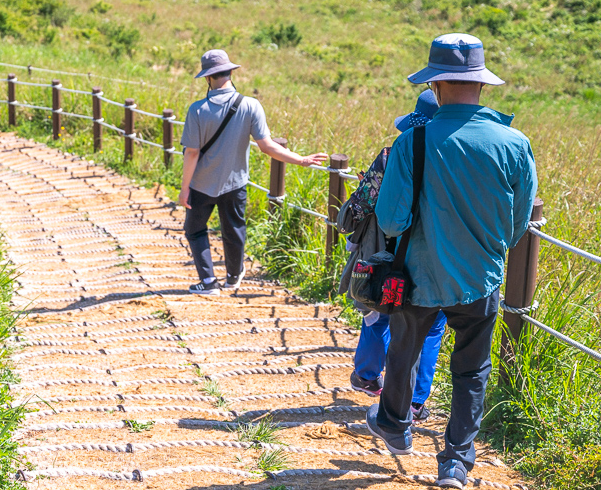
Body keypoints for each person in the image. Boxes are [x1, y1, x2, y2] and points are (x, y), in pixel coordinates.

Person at [366, 33, 537, 490]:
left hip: (417, 276)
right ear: (482, 85)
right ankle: (456, 462)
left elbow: (392, 219)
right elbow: (519, 224)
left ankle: (396, 426)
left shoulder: (413, 143)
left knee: (404, 350)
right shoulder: (515, 144)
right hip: (481, 277)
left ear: (436, 86)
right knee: (472, 369)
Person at [178, 49, 328, 296]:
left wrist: (185, 189)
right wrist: (301, 160)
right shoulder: (250, 105)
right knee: (234, 228)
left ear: (207, 78)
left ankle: (207, 282)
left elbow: (191, 153)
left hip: (202, 184)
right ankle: (233, 277)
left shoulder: (197, 109)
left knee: (195, 230)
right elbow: (268, 146)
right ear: (231, 72)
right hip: (235, 183)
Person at [338, 89, 446, 422]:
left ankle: (369, 375)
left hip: (389, 254)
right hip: (439, 258)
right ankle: (415, 401)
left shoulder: (390, 155)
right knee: (431, 327)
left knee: (379, 310)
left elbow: (357, 208)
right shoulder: (455, 160)